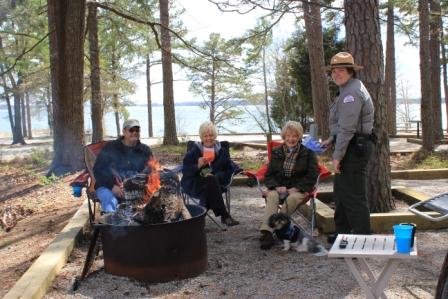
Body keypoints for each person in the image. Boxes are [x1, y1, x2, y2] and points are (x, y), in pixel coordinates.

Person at [321, 52, 375, 241]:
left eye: (341, 70)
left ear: (351, 71)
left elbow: (347, 128)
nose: (336, 74)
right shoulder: (346, 89)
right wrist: (330, 139)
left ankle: (362, 239)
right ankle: (342, 234)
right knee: (341, 194)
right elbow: (342, 127)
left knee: (353, 196)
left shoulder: (351, 93)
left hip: (354, 148)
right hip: (350, 145)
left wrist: (337, 156)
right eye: (334, 71)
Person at [259, 121, 319, 250]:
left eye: (294, 136)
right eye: (288, 136)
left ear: (299, 137)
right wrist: (275, 186)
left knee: (291, 199)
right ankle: (267, 232)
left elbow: (313, 175)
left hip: (299, 188)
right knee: (272, 196)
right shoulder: (276, 151)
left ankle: (274, 228)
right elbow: (268, 175)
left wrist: (297, 188)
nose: (291, 139)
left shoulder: (308, 152)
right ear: (284, 136)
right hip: (279, 186)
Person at [181, 121, 239, 226]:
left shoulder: (222, 151)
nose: (208, 138)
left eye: (211, 135)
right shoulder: (194, 151)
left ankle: (198, 221)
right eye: (205, 136)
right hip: (196, 183)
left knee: (211, 181)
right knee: (210, 181)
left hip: (216, 184)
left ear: (215, 135)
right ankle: (224, 215)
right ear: (201, 137)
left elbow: (228, 170)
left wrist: (215, 176)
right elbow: (185, 171)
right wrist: (197, 166)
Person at [93, 119, 152, 213]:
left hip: (135, 189)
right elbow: (97, 170)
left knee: (152, 204)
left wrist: (137, 187)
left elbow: (151, 171)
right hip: (109, 186)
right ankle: (111, 225)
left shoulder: (145, 150)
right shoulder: (111, 147)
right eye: (131, 130)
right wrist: (112, 187)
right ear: (124, 131)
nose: (135, 132)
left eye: (137, 130)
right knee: (110, 201)